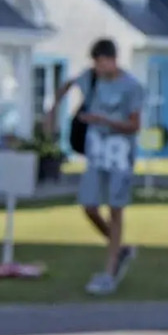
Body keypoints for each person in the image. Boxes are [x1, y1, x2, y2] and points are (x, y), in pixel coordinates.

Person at [47, 38, 145, 296]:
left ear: (112, 60)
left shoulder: (131, 87)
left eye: (102, 63)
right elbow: (68, 84)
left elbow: (134, 125)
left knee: (115, 210)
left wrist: (103, 119)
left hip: (120, 157)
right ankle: (120, 249)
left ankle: (109, 273)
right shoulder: (91, 78)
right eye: (95, 64)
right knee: (89, 207)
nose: (98, 69)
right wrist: (52, 109)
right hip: (95, 155)